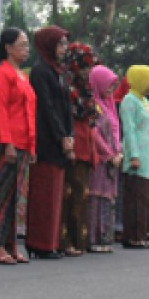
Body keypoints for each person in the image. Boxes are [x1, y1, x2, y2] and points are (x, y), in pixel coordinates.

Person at [0, 28, 35, 265]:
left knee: (18, 197)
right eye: (22, 44)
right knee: (2, 195)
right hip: (8, 141)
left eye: (27, 45)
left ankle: (12, 244)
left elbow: (30, 112)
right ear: (8, 48)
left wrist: (32, 146)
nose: (27, 49)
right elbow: (2, 112)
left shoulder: (23, 75)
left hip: (25, 141)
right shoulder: (2, 74)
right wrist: (8, 144)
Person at [26, 26, 72, 260]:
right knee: (45, 192)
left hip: (60, 138)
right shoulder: (40, 71)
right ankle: (39, 242)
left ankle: (51, 241)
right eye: (60, 44)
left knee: (55, 193)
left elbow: (65, 107)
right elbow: (47, 107)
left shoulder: (59, 72)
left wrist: (69, 133)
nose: (64, 49)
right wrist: (61, 135)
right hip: (47, 139)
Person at [59, 41, 100, 257]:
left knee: (81, 194)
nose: (88, 72)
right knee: (69, 195)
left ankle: (79, 240)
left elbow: (91, 118)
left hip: (86, 146)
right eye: (85, 67)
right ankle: (65, 241)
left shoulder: (86, 89)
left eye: (90, 67)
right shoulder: (67, 87)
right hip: (73, 145)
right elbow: (66, 119)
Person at [120, 65, 149, 249]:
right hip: (136, 154)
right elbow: (129, 129)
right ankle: (133, 236)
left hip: (147, 153)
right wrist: (133, 155)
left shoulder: (143, 100)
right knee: (135, 197)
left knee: (144, 197)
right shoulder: (129, 100)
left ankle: (141, 233)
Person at [87, 65, 122, 253]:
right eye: (108, 85)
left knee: (108, 198)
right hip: (99, 158)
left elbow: (116, 129)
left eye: (113, 86)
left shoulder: (109, 104)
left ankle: (104, 237)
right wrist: (108, 154)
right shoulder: (92, 103)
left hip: (112, 159)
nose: (110, 90)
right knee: (95, 196)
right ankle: (93, 238)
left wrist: (118, 151)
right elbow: (93, 132)